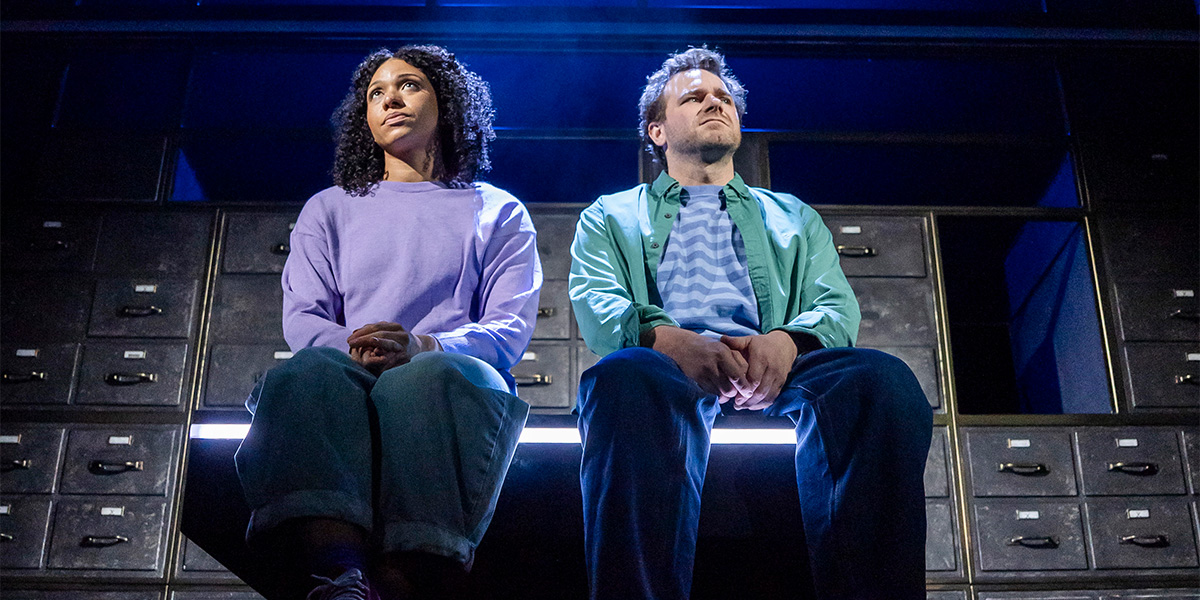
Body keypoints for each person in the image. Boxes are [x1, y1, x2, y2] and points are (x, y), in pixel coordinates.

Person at [569, 47, 933, 600]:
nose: (715, 103)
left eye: (724, 98)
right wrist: (670, 340)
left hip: (779, 367)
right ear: (658, 130)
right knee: (621, 378)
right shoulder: (609, 214)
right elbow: (598, 298)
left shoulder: (792, 213)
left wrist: (787, 342)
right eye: (693, 97)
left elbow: (836, 306)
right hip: (664, 365)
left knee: (882, 381)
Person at [234, 45, 542, 600]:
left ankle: (406, 582)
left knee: (422, 379)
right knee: (304, 375)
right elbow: (305, 319)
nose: (390, 99)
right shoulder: (328, 208)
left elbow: (507, 329)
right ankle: (338, 577)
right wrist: (363, 348)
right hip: (350, 368)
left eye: (409, 85)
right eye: (376, 92)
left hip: (447, 373)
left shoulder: (497, 210)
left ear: (446, 104)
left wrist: (423, 345)